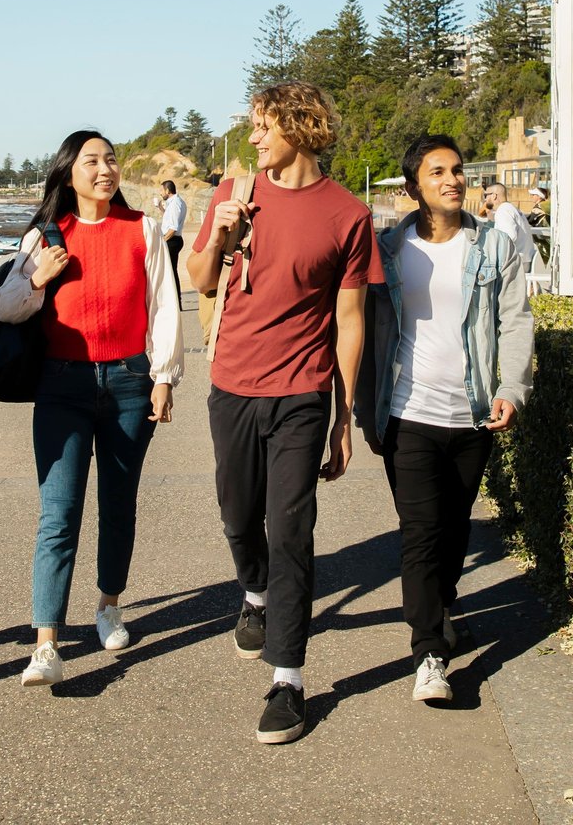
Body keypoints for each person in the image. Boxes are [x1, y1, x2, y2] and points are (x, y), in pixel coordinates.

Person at [188, 81, 379, 745]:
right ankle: (255, 593)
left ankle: (288, 679)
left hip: (303, 393)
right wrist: (222, 232)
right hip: (233, 385)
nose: (252, 138)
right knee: (238, 516)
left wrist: (344, 414)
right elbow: (202, 280)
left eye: (262, 125)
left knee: (290, 529)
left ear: (299, 126)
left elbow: (349, 318)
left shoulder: (348, 216)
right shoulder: (235, 194)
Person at [0, 131, 182, 687]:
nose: (105, 169)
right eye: (91, 161)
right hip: (61, 385)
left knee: (118, 503)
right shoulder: (45, 235)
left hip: (129, 381)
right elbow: (6, 307)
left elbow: (164, 306)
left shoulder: (142, 229)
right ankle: (47, 644)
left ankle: (108, 606)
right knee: (59, 513)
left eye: (110, 160)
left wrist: (164, 376)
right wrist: (39, 274)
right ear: (68, 172)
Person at [361, 135, 532, 705]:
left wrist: (512, 388)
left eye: (457, 171)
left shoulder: (496, 247)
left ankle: (443, 600)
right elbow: (358, 327)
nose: (452, 180)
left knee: (455, 530)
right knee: (421, 533)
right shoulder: (387, 250)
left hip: (474, 414)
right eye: (437, 172)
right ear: (414, 186)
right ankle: (428, 650)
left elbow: (514, 321)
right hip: (407, 413)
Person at [481, 181, 537, 271]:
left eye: (486, 195)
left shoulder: (503, 211)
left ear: (494, 196)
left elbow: (509, 236)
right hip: (524, 261)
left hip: (514, 265)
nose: (485, 199)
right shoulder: (511, 208)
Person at [157, 178, 187, 300]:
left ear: (168, 190)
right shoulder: (174, 203)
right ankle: (174, 300)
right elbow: (170, 219)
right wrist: (160, 208)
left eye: (162, 190)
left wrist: (162, 241)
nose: (160, 193)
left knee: (170, 271)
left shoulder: (175, 204)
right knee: (170, 270)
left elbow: (173, 227)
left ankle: (175, 301)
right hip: (172, 240)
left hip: (172, 241)